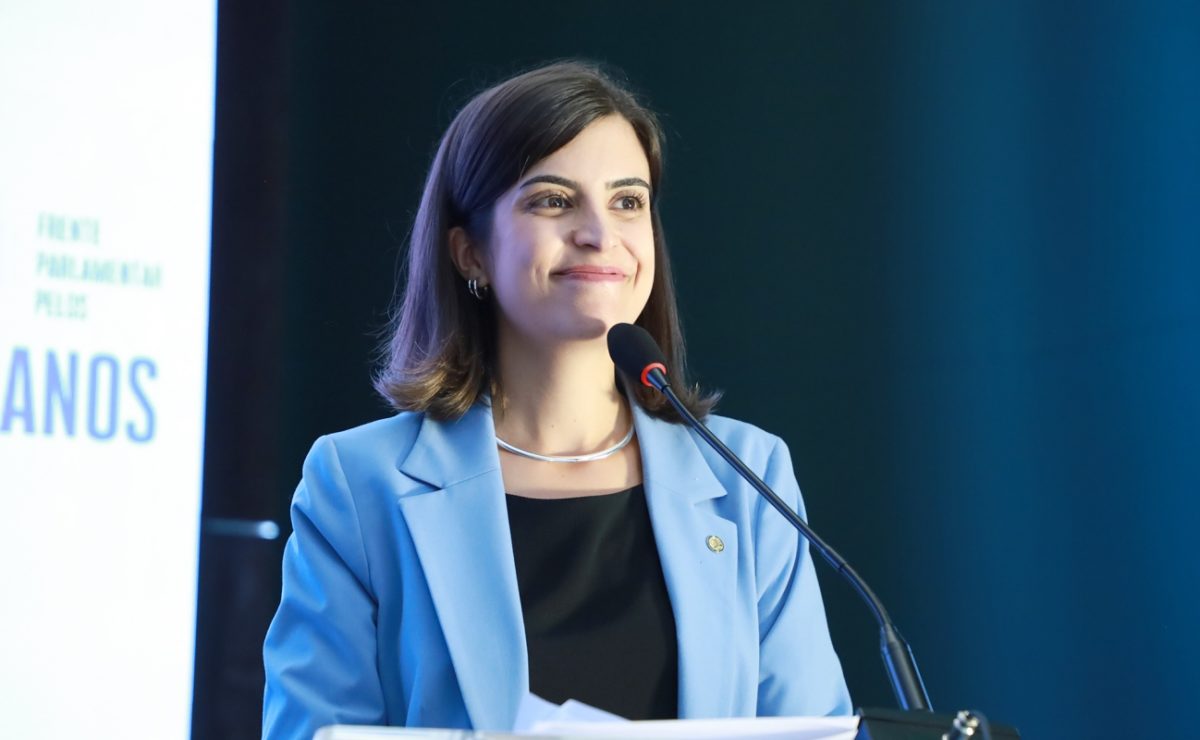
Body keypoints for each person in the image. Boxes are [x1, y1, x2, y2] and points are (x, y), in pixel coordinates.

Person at [262, 60, 851, 739]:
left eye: (628, 202)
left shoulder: (748, 476)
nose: (600, 233)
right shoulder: (357, 484)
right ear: (469, 252)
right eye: (553, 199)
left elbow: (814, 729)